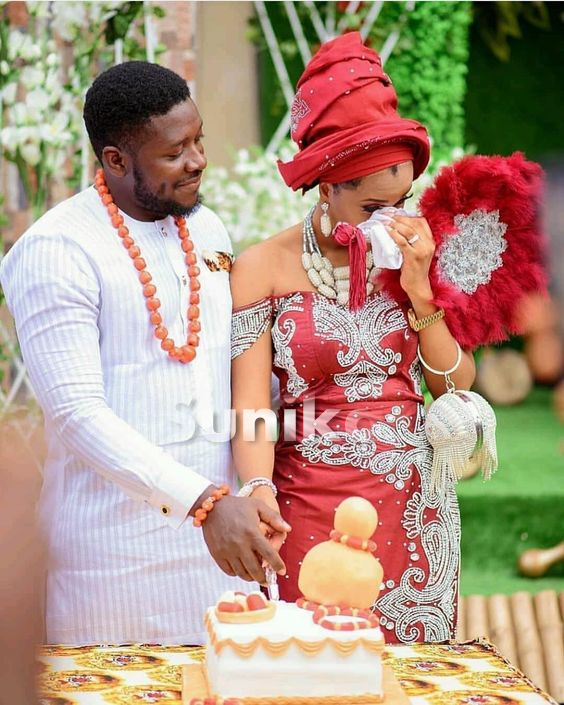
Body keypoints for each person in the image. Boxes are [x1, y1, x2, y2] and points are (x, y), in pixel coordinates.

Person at [0, 61, 289, 646]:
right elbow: (78, 415)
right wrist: (205, 503)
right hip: (111, 567)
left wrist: (257, 487)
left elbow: (232, 378)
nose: (199, 160)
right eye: (175, 150)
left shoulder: (206, 230)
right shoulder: (57, 251)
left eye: (199, 138)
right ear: (115, 160)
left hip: (220, 557)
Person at [230, 32, 475, 643]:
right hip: (303, 502)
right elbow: (251, 402)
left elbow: (454, 386)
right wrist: (258, 486)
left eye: (402, 200)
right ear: (327, 187)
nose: (391, 221)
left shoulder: (414, 253)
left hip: (412, 502)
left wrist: (421, 293)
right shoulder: (263, 267)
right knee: (311, 664)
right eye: (371, 207)